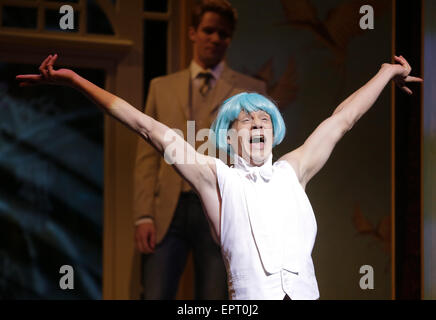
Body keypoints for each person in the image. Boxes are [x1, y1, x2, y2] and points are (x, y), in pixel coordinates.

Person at [16, 54, 422, 299]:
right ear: (229, 137)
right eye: (246, 121)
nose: (256, 124)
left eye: (264, 118)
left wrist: (387, 73)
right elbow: (145, 127)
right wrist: (73, 80)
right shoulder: (217, 178)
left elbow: (343, 119)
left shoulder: (292, 170)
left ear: (275, 130)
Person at [133, 0, 266, 299]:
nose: (215, 38)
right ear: (193, 32)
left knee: (215, 297)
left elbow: (260, 158)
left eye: (223, 33)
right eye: (208, 30)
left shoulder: (250, 90)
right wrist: (144, 215)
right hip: (169, 207)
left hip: (223, 207)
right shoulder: (161, 87)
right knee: (155, 293)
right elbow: (147, 157)